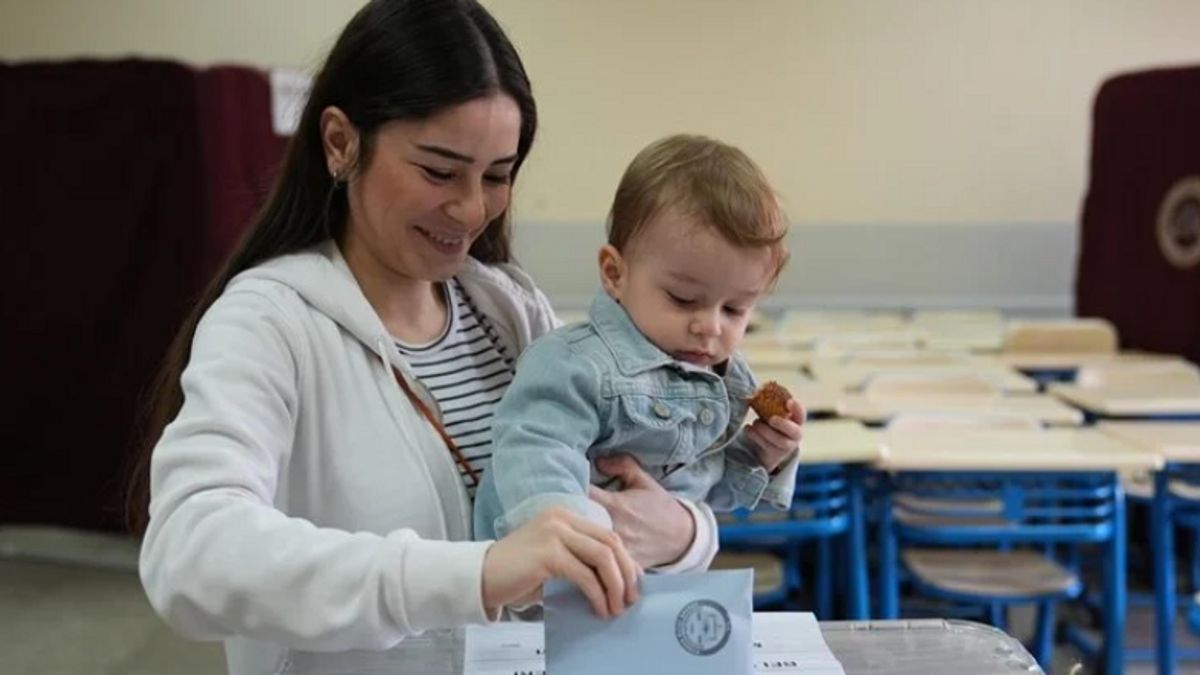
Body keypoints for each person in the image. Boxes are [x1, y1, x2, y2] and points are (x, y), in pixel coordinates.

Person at [129, 2, 718, 673]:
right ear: (340, 142)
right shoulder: (269, 323)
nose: (471, 208)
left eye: (496, 176)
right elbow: (190, 553)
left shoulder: (511, 311)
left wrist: (686, 533)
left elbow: (616, 495)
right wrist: (475, 573)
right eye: (439, 171)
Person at [474, 134, 805, 542]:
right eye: (683, 299)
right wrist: (573, 542)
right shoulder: (573, 364)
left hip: (644, 585)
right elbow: (535, 458)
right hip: (551, 584)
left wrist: (763, 455)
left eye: (735, 309)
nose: (711, 326)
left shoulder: (723, 381)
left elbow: (702, 487)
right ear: (615, 273)